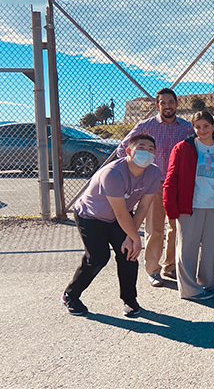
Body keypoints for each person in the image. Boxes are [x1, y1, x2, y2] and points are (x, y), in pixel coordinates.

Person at [61, 134, 161, 317]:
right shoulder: (113, 173)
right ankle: (70, 295)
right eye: (141, 147)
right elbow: (121, 213)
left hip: (119, 217)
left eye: (150, 149)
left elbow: (143, 207)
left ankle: (130, 300)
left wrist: (131, 240)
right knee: (98, 257)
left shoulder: (154, 172)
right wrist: (135, 238)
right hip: (91, 216)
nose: (146, 152)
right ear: (129, 151)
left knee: (128, 254)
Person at [116, 88, 193, 288]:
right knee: (154, 227)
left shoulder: (186, 128)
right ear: (157, 105)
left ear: (177, 104)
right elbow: (122, 149)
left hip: (178, 184)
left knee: (176, 227)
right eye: (163, 103)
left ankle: (171, 266)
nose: (167, 106)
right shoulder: (146, 126)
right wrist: (137, 173)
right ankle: (153, 270)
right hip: (154, 184)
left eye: (171, 102)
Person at [164, 111, 214, 301]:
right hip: (190, 206)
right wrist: (170, 208)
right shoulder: (182, 148)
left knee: (211, 249)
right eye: (198, 127)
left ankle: (208, 283)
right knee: (187, 248)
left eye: (206, 126)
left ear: (213, 126)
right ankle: (189, 290)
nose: (202, 130)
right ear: (193, 128)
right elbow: (171, 179)